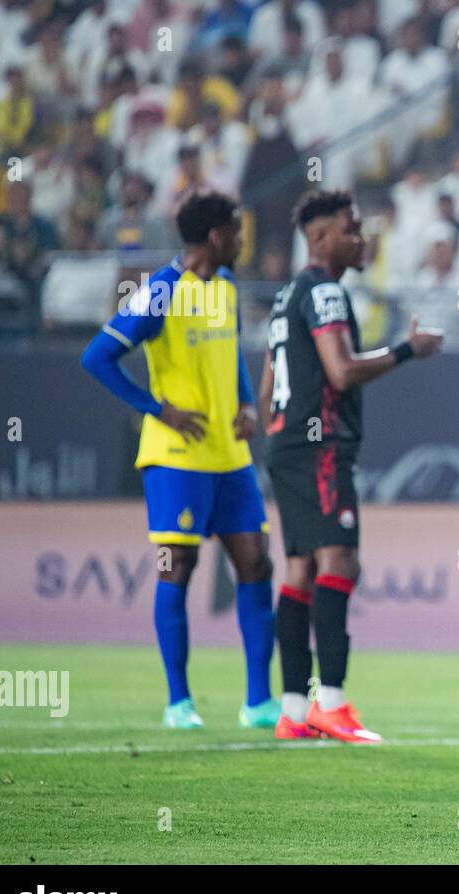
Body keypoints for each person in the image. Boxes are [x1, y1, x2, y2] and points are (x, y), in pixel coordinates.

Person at [79, 192, 278, 730]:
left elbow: (231, 351)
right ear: (216, 236)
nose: (242, 239)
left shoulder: (226, 290)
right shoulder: (160, 292)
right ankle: (178, 702)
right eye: (237, 230)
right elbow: (97, 355)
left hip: (229, 456)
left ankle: (259, 702)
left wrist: (244, 404)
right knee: (177, 568)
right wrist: (155, 408)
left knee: (256, 563)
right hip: (176, 458)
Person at [261, 189, 442, 743]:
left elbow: (270, 375)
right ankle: (332, 703)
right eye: (351, 228)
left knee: (300, 570)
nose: (361, 238)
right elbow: (340, 373)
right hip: (319, 445)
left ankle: (293, 709)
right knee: (341, 563)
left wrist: (270, 424)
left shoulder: (285, 294)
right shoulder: (325, 294)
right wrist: (408, 351)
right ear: (319, 238)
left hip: (285, 441)